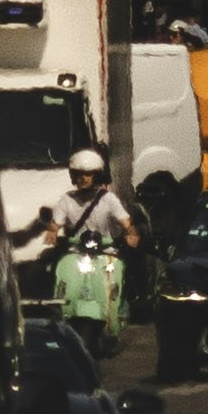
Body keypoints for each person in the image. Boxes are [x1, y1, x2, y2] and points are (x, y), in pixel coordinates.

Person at [47, 147, 144, 346]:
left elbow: (125, 221)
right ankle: (59, 312)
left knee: (121, 274)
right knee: (57, 272)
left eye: (88, 174)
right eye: (78, 174)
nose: (83, 178)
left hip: (105, 251)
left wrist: (131, 233)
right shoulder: (66, 200)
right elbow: (55, 223)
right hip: (75, 252)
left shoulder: (108, 199)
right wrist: (52, 232)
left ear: (97, 175)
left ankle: (123, 307)